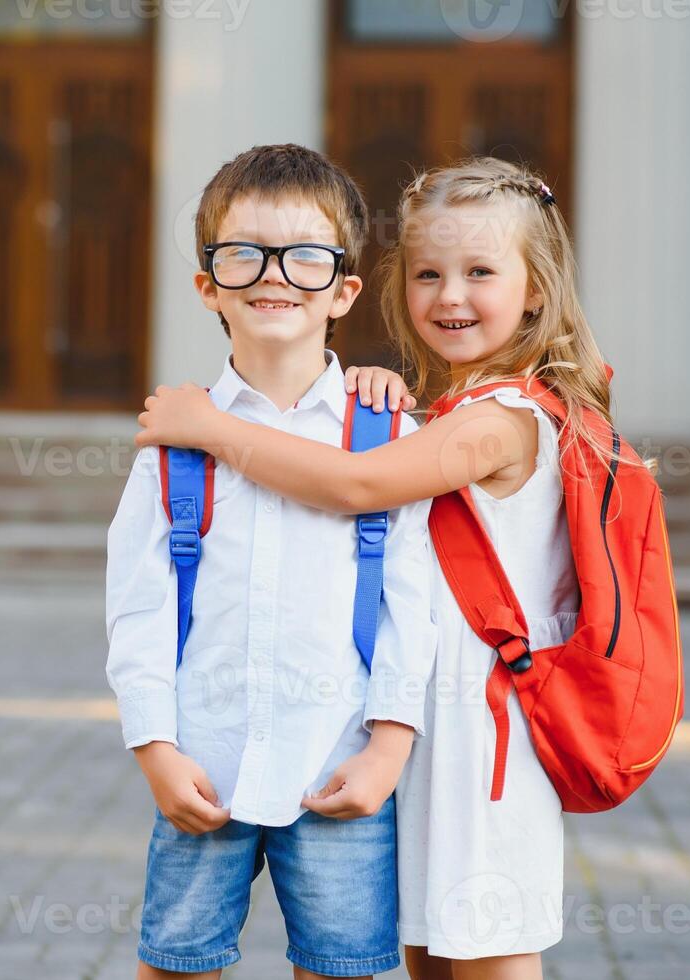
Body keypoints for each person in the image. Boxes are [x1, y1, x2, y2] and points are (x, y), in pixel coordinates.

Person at [136, 156, 634, 980]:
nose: (450, 295)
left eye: (481, 272)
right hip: (415, 721)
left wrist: (210, 426)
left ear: (535, 289)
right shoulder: (451, 409)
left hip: (484, 727)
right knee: (428, 951)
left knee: (485, 941)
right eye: (429, 273)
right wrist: (381, 386)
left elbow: (357, 483)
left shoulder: (509, 417)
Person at [105, 143, 436, 980]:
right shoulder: (173, 443)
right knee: (176, 966)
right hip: (203, 765)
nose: (273, 273)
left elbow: (413, 608)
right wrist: (155, 748)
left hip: (336, 766)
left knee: (342, 969)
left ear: (345, 289)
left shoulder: (387, 437)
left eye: (306, 254)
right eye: (242, 252)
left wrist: (387, 752)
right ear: (207, 283)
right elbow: (138, 609)